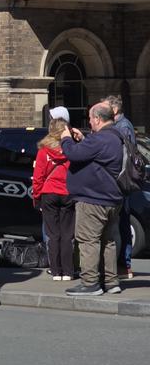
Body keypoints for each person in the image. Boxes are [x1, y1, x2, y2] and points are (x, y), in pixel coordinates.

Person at [60, 102, 124, 296]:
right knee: (108, 241)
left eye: (90, 118)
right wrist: (84, 139)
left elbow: (72, 153)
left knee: (88, 241)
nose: (89, 121)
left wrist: (65, 139)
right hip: (113, 199)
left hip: (93, 200)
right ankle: (111, 282)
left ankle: (90, 283)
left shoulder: (100, 139)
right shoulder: (116, 136)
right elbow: (94, 156)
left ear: (97, 119)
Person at [32, 117, 74, 280]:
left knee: (53, 234)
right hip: (68, 193)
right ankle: (68, 272)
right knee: (67, 235)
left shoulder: (43, 151)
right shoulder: (71, 149)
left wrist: (37, 197)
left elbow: (38, 178)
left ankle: (56, 271)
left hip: (49, 194)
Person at [105, 94, 135, 280]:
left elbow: (124, 155)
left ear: (114, 110)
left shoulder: (122, 127)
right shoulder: (120, 126)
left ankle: (125, 265)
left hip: (122, 181)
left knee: (122, 221)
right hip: (120, 180)